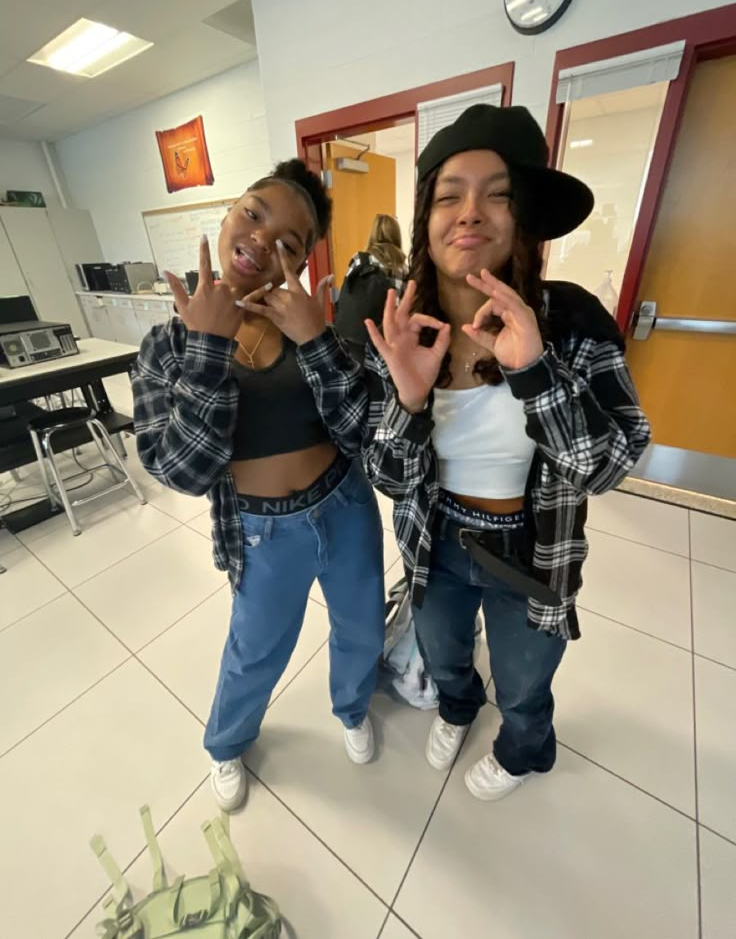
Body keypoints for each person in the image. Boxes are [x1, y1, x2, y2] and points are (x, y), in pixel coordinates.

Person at [244, 105, 651, 803]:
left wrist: (536, 374)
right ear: (426, 226)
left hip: (534, 555)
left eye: (496, 194)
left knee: (524, 680)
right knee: (445, 652)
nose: (470, 213)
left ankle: (523, 748)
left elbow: (611, 464)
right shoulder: (405, 327)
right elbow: (389, 477)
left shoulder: (573, 321)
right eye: (448, 195)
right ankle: (458, 707)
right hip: (438, 542)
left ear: (521, 219)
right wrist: (405, 399)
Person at [131, 159, 386, 813]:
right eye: (252, 213)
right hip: (263, 530)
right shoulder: (167, 344)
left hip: (346, 504)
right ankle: (227, 742)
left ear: (298, 263)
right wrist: (210, 350)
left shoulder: (310, 323)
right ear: (225, 215)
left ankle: (352, 706)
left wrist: (319, 341)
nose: (262, 240)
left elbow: (362, 431)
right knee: (256, 649)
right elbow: (181, 471)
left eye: (290, 242)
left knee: (361, 626)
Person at [333, 213, 407, 363]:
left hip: (352, 336)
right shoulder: (403, 268)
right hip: (384, 342)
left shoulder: (360, 259)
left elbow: (346, 293)